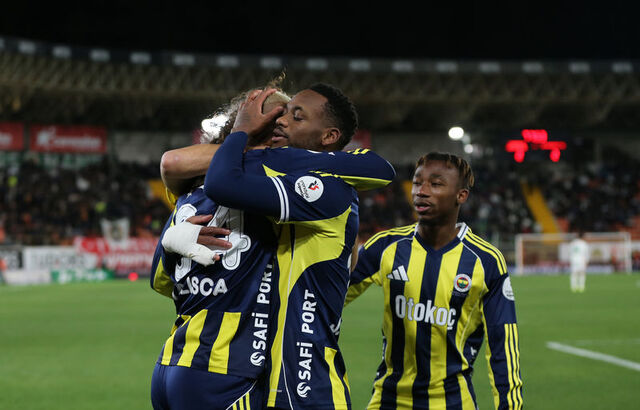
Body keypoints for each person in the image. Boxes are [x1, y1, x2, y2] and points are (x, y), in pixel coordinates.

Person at [152, 85, 396, 409]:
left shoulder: (192, 197)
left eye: (296, 117)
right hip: (235, 372)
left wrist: (169, 242)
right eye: (279, 117)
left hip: (176, 362)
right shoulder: (270, 189)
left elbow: (160, 281)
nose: (283, 123)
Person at [345, 152, 523, 409]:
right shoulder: (386, 247)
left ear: (461, 195)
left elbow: (503, 345)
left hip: (453, 402)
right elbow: (329, 299)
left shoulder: (486, 261)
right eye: (417, 183)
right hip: (388, 400)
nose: (421, 191)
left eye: (435, 184)